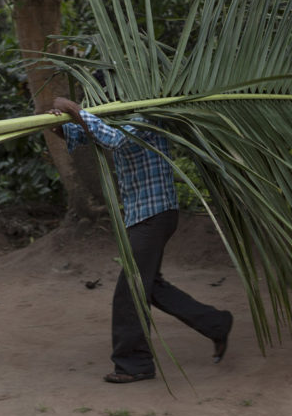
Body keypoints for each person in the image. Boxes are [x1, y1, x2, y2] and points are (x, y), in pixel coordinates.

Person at [50, 96, 233, 384]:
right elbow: (88, 132)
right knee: (151, 286)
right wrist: (61, 124)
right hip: (143, 216)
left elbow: (114, 140)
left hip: (155, 214)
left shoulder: (146, 114)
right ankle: (217, 324)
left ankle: (134, 363)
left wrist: (75, 110)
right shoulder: (118, 118)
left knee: (130, 290)